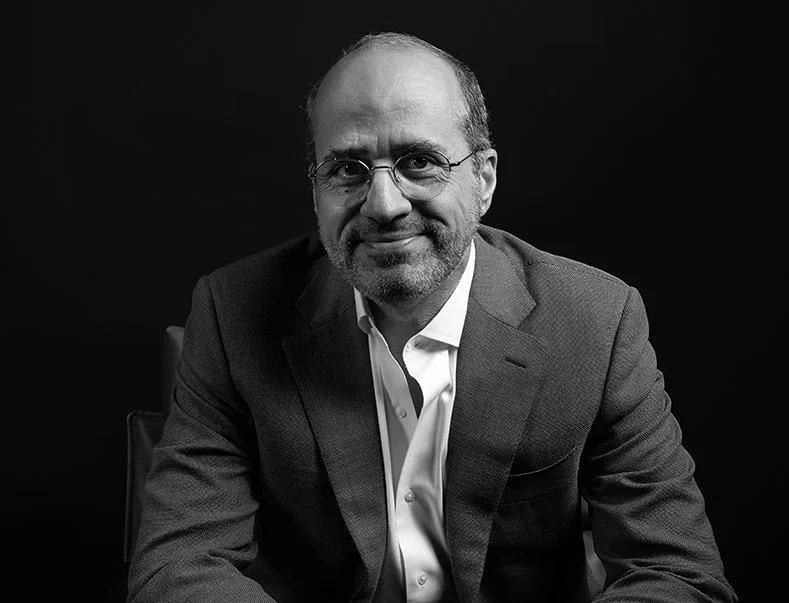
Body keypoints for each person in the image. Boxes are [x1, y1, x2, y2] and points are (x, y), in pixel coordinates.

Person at [127, 32, 737, 602]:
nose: (385, 205)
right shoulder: (232, 314)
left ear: (484, 179)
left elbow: (679, 572)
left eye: (420, 161)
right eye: (348, 169)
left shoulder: (596, 323)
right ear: (316, 190)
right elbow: (177, 563)